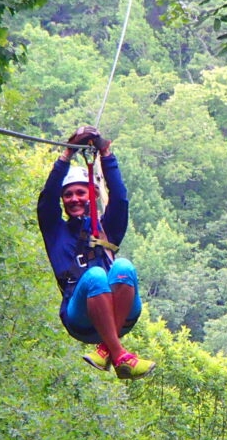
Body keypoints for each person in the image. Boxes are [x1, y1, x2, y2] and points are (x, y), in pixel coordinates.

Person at [37, 125, 155, 379]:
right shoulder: (56, 231)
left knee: (123, 267)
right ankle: (120, 355)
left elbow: (120, 199)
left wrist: (106, 154)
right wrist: (67, 155)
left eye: (81, 192)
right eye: (68, 195)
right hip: (80, 317)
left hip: (119, 315)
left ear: (91, 195)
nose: (74, 199)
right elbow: (47, 200)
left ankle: (106, 349)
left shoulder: (107, 230)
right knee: (96, 276)